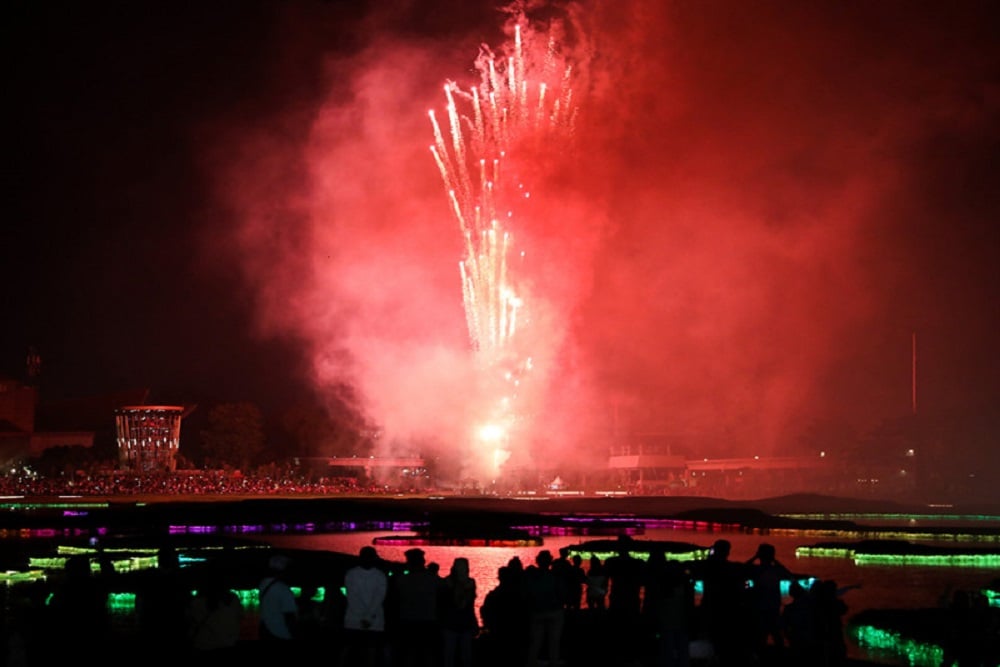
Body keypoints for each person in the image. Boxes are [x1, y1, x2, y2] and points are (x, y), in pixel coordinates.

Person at [340, 546, 388, 667]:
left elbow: (352, 597)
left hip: (355, 617)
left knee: (358, 648)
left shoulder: (351, 574)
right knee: (363, 649)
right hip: (372, 619)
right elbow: (378, 598)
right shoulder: (380, 575)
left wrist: (363, 617)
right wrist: (368, 617)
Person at [392, 548, 440, 667]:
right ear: (422, 561)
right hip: (428, 621)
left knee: (409, 653)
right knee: (428, 653)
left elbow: (395, 599)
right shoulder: (434, 580)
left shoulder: (401, 580)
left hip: (407, 621)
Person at [186, 566, 242, 664]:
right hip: (227, 644)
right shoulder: (232, 600)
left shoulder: (197, 602)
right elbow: (239, 619)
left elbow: (190, 622)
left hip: (204, 646)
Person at [523, 549, 565, 667]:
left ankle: (532, 661)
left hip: (537, 611)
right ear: (550, 562)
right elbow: (562, 594)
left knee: (535, 640)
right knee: (554, 640)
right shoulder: (555, 576)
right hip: (555, 611)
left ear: (538, 561)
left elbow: (527, 593)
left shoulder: (530, 577)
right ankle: (553, 661)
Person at [439, 557, 477, 667]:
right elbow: (457, 603)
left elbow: (466, 604)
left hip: (463, 624)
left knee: (464, 657)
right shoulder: (448, 582)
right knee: (450, 657)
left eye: (463, 566)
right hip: (451, 624)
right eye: (459, 566)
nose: (461, 569)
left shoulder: (470, 582)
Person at [258, 553, 299, 641]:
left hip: (266, 630)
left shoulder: (263, 584)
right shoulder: (282, 589)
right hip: (281, 633)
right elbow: (289, 616)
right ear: (283, 569)